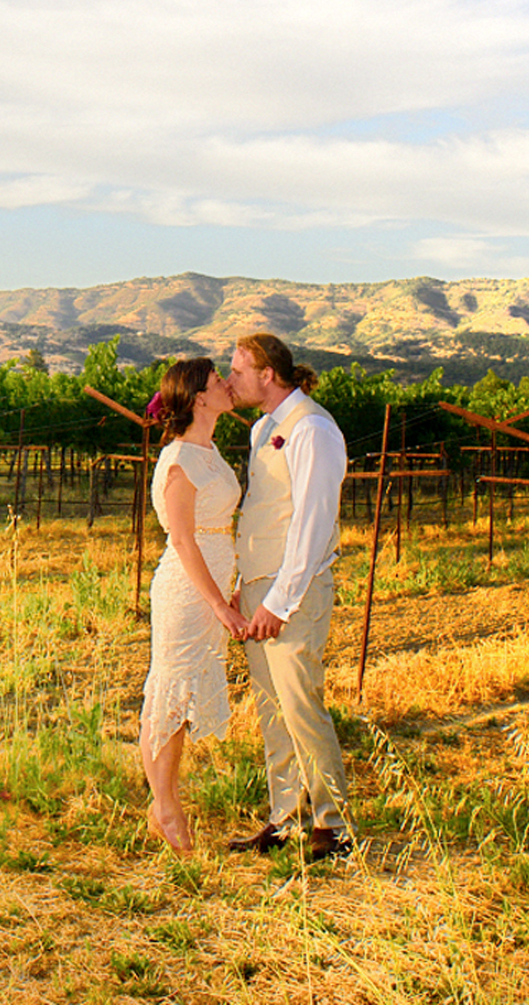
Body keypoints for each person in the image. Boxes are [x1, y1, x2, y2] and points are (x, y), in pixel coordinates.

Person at [225, 333, 355, 861]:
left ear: (267, 375)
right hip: (260, 585)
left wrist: (279, 601)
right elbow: (264, 510)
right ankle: (284, 817)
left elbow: (311, 522)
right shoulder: (263, 430)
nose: (229, 380)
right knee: (271, 707)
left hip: (291, 591)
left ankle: (333, 825)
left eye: (237, 371)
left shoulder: (313, 430)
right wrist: (245, 584)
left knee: (302, 704)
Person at [138, 357, 250, 854]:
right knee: (171, 695)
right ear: (200, 398)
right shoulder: (180, 459)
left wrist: (236, 584)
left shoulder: (210, 450)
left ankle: (160, 806)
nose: (228, 385)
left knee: (181, 699)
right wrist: (220, 605)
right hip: (187, 590)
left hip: (213, 583)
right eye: (217, 381)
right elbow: (183, 540)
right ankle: (166, 808)